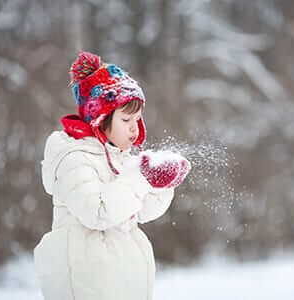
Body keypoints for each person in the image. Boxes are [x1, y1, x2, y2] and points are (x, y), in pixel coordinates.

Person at [33, 51, 191, 300]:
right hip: (86, 281)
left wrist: (162, 184)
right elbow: (98, 212)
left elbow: (141, 211)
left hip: (121, 279)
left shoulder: (121, 158)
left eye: (137, 119)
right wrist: (141, 178)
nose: (134, 127)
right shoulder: (73, 158)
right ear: (99, 119)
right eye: (126, 119)